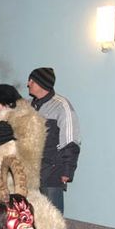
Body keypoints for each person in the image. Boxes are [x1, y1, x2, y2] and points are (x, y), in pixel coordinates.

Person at [28, 67, 81, 213]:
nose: (28, 84)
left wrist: (67, 171)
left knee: (52, 219)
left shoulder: (61, 106)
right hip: (30, 172)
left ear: (41, 83)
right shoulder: (28, 106)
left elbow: (71, 140)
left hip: (52, 173)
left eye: (32, 80)